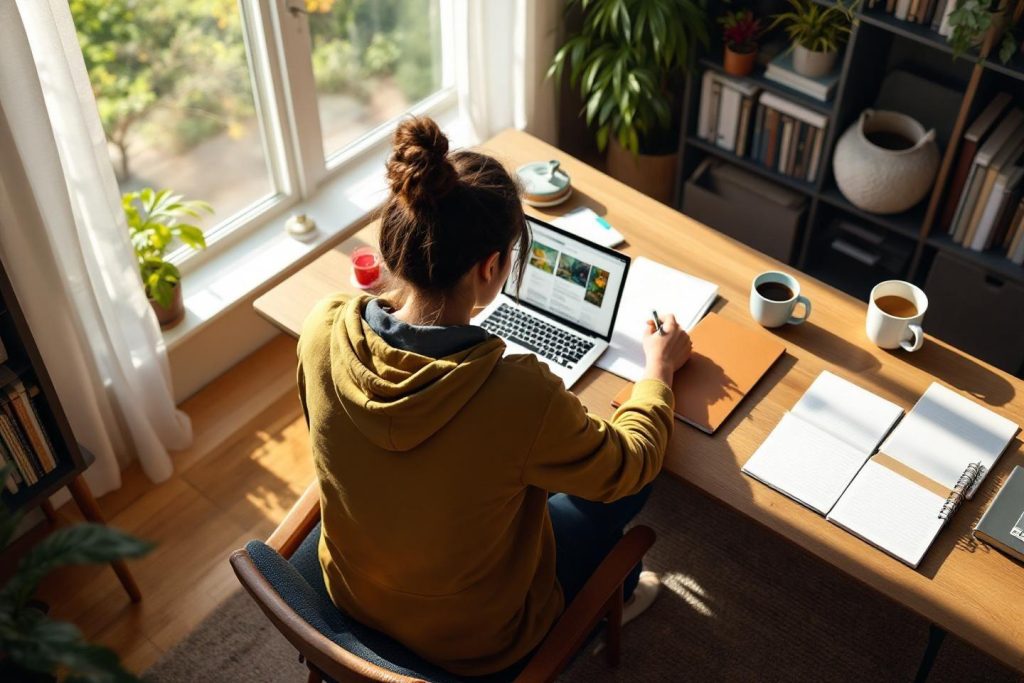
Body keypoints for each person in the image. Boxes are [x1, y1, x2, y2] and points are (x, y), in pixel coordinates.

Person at [297, 116, 691, 677]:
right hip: (476, 644)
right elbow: (630, 464)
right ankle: (618, 592)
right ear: (491, 268)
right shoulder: (518, 394)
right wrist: (658, 370)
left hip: (354, 591)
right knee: (618, 493)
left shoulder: (322, 328)